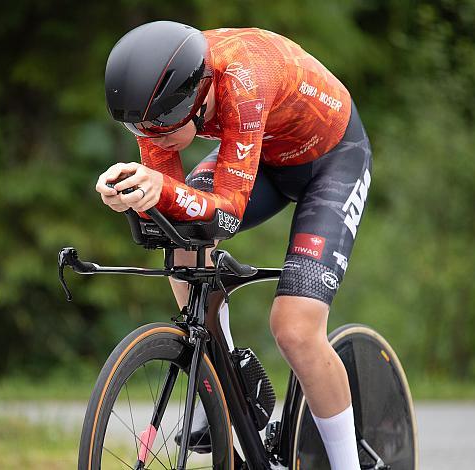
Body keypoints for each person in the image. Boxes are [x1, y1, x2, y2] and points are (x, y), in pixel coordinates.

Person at [96, 20, 372, 470]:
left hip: (331, 162)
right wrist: (130, 194)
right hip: (263, 154)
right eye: (138, 128)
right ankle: (227, 380)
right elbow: (169, 208)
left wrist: (160, 191)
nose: (153, 136)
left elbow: (226, 210)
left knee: (295, 329)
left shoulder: (241, 77)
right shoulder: (160, 103)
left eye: (163, 123)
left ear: (198, 92)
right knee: (183, 241)